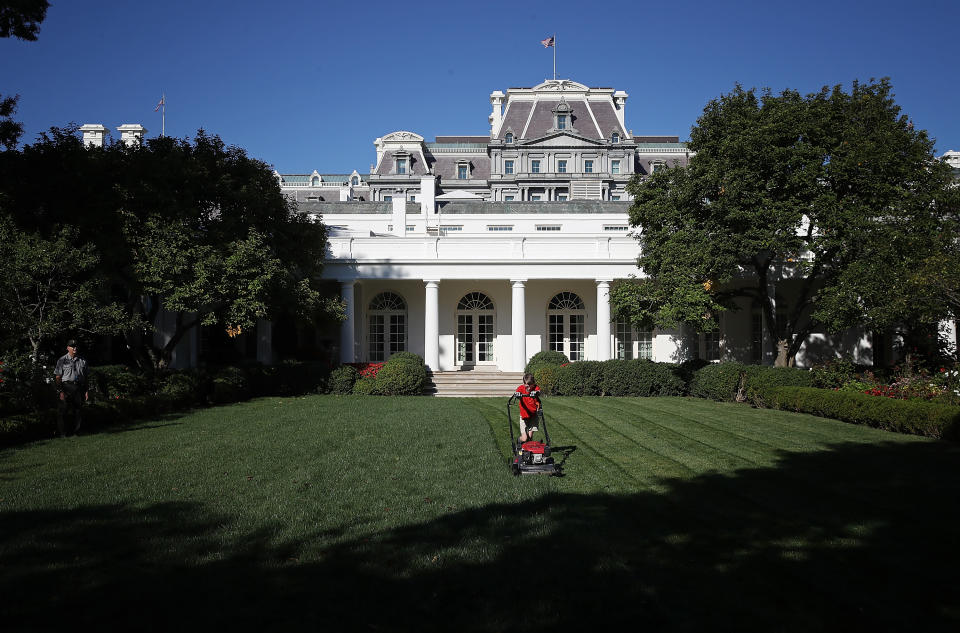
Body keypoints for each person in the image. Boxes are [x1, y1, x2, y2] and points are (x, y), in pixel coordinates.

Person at [54, 339, 89, 437]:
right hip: (66, 387)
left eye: (76, 346)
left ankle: (76, 432)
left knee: (78, 410)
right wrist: (60, 391)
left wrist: (86, 390)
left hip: (78, 387)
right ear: (67, 348)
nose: (75, 348)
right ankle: (63, 433)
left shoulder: (83, 360)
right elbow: (58, 377)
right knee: (63, 410)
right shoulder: (62, 360)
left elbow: (86, 377)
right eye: (72, 346)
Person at [515, 372, 542, 446]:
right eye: (527, 386)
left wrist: (535, 393)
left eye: (530, 386)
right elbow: (517, 393)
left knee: (529, 437)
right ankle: (519, 441)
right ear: (524, 384)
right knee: (524, 438)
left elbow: (539, 392)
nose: (529, 388)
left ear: (533, 383)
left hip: (533, 415)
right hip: (524, 415)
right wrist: (518, 395)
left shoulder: (535, 388)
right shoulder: (521, 388)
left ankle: (528, 452)